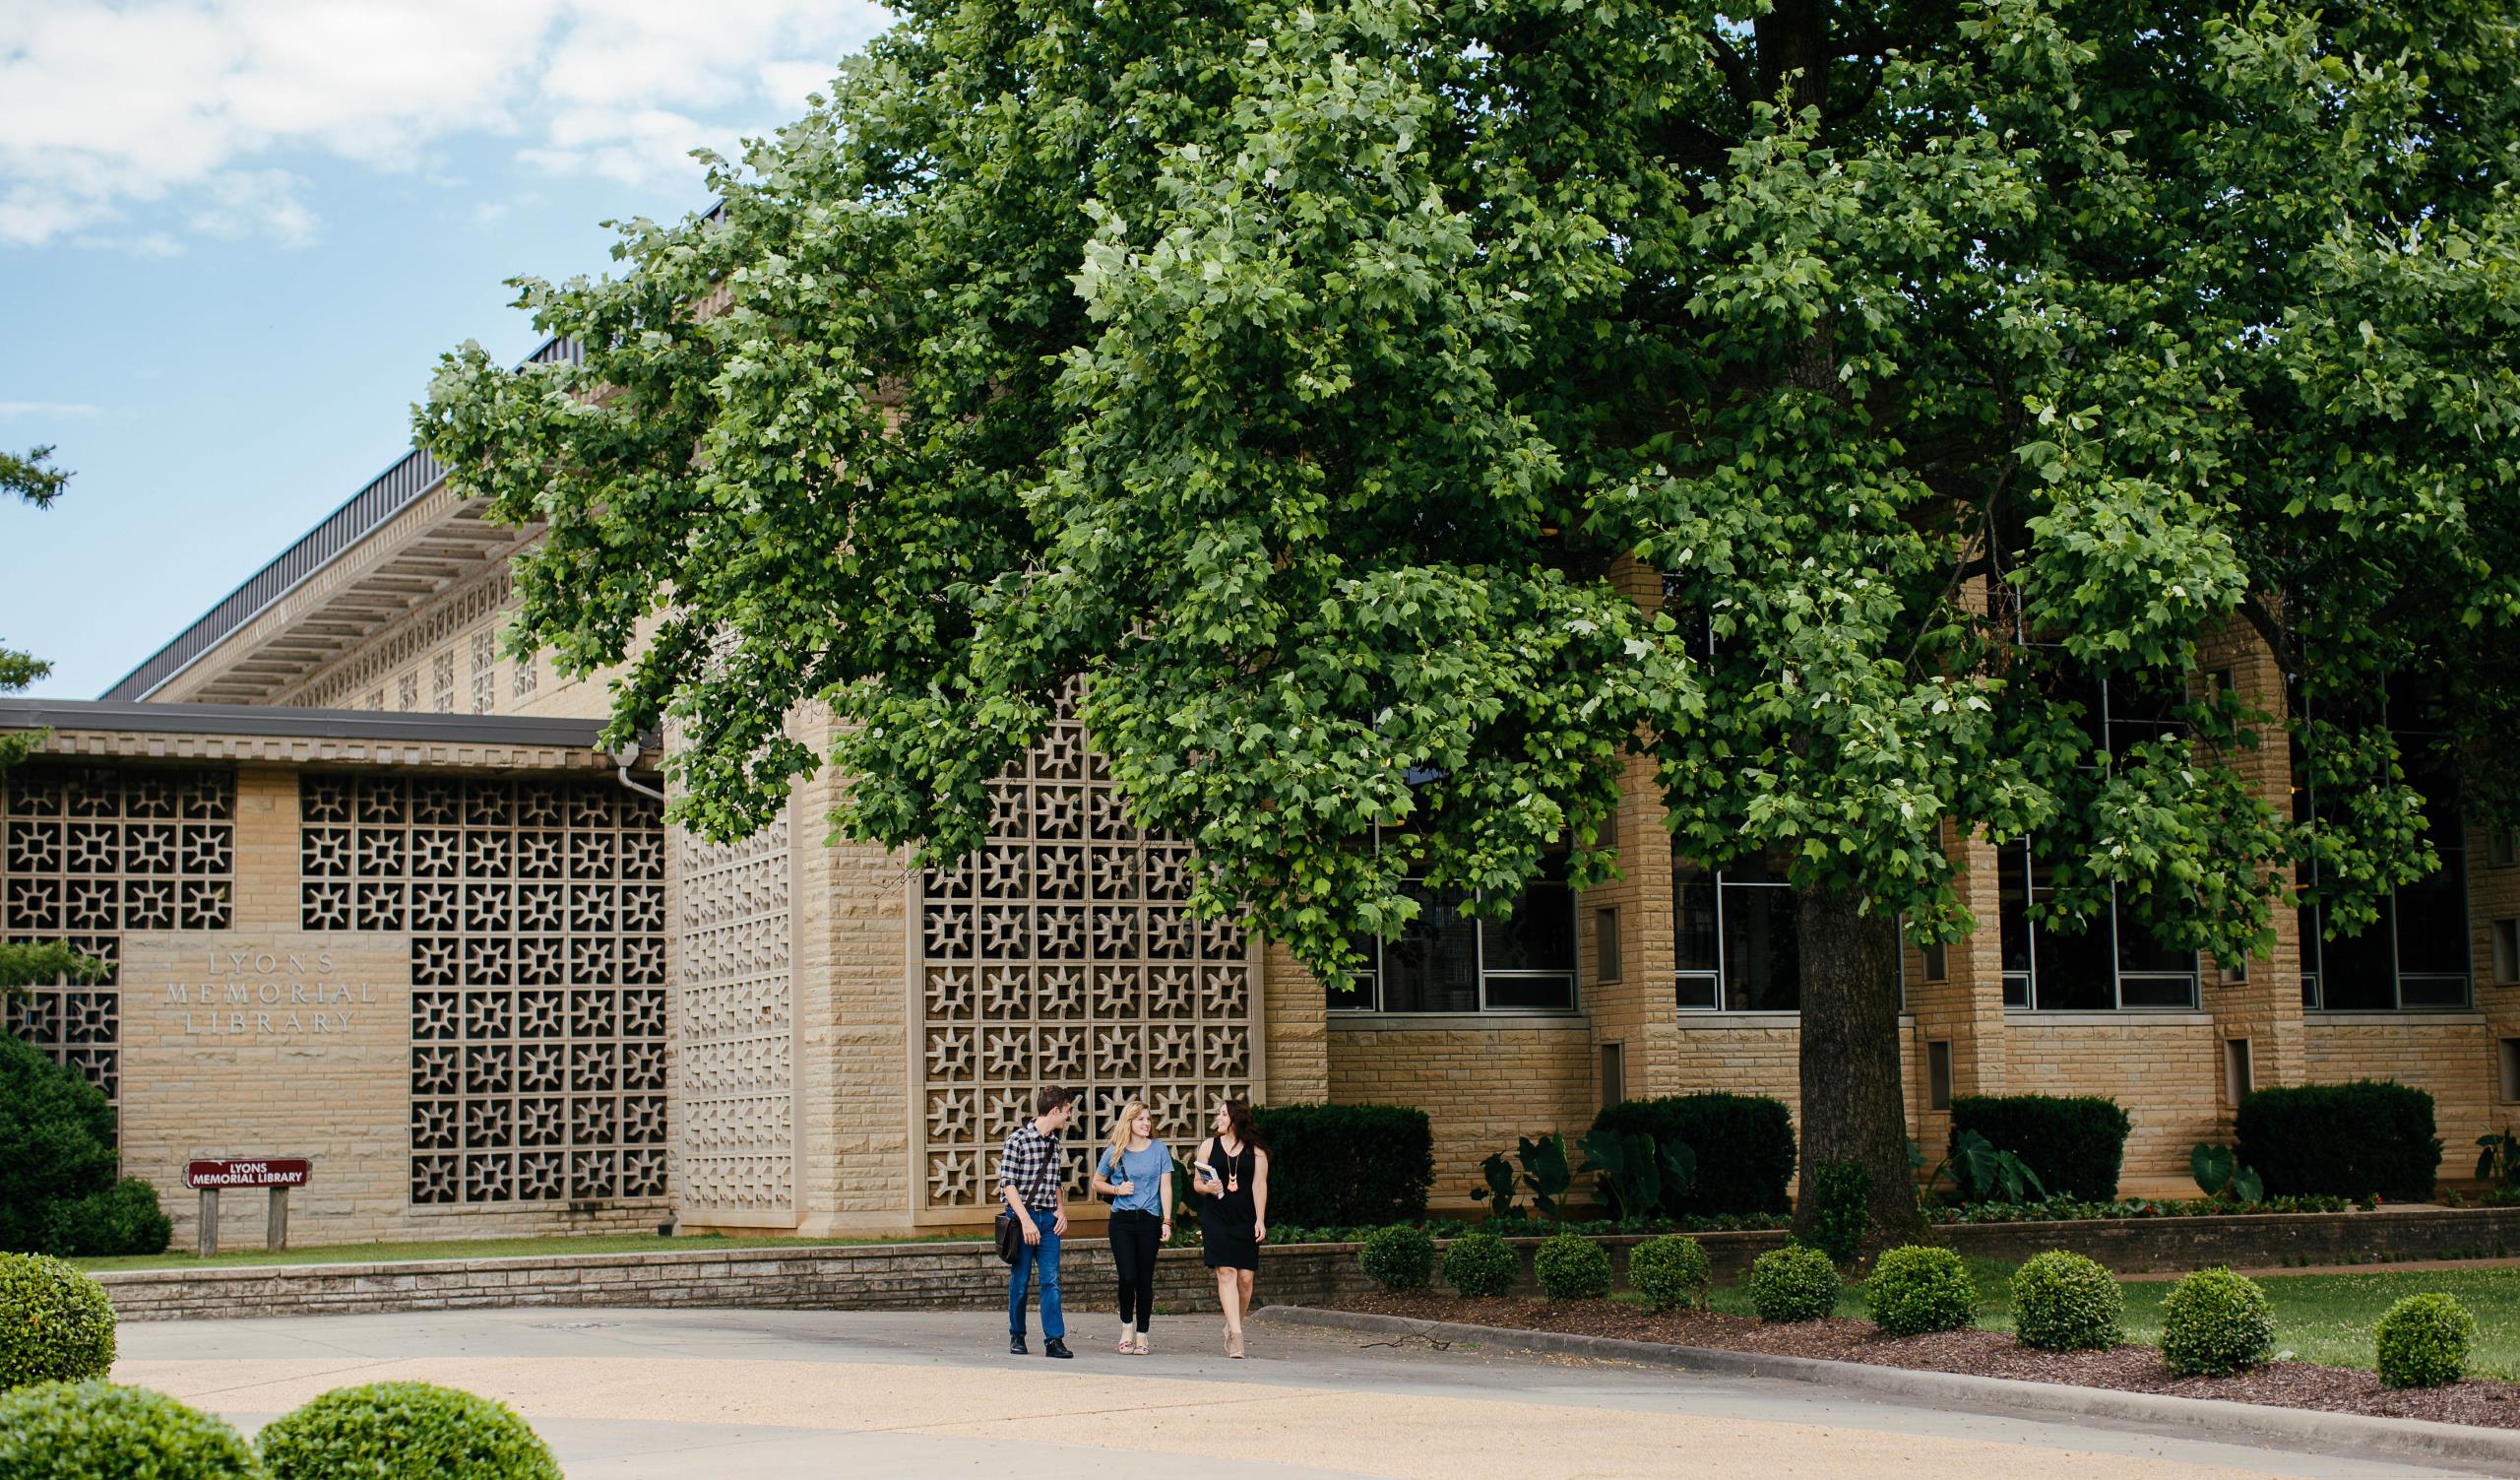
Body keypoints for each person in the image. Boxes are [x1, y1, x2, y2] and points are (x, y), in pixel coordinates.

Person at [1090, 1099, 1173, 1355]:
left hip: (1149, 1220)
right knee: (1127, 1277)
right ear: (1129, 1121)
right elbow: (1096, 1182)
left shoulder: (1159, 1149)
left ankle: (1142, 1334)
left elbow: (1165, 1187)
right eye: (1141, 1119)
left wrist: (1167, 1221)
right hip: (1122, 1221)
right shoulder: (1116, 1150)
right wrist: (1117, 1189)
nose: (1146, 1123)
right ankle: (1126, 1327)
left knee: (1144, 1279)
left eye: (1148, 1119)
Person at [999, 1084, 1076, 1358]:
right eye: (1067, 1111)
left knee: (1051, 1281)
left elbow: (1056, 1181)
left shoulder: (1054, 1143)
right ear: (1055, 1110)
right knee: (1020, 1280)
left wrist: (1061, 1210)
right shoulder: (1017, 1140)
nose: (1069, 1116)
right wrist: (1026, 1221)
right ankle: (1017, 1335)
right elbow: (1008, 1185)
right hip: (1022, 1219)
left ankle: (1054, 1340)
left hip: (1048, 1220)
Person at [1191, 1097, 1269, 1359]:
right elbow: (1197, 1184)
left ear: (1236, 1118)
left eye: (1224, 1114)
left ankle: (1233, 1323)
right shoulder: (1208, 1146)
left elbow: (1259, 1186)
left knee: (1246, 1280)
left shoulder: (1255, 1152)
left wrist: (1260, 1219)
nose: (1219, 1118)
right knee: (1226, 1272)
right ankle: (1236, 1336)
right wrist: (1207, 1187)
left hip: (1245, 1218)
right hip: (1217, 1216)